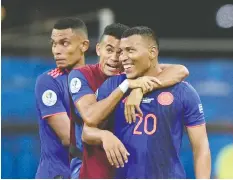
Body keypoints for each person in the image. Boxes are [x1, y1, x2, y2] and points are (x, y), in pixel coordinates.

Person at [68, 23, 189, 178]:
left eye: (121, 52)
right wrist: (126, 87)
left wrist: (140, 88)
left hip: (127, 165)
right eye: (109, 50)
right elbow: (90, 118)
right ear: (98, 49)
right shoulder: (82, 76)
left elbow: (180, 70)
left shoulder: (132, 73)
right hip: (91, 161)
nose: (115, 58)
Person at [94, 26, 211, 178]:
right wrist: (104, 135)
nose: (122, 57)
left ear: (152, 52)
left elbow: (201, 147)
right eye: (122, 51)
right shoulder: (113, 86)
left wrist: (140, 89)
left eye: (130, 50)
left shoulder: (183, 92)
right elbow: (87, 130)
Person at [35, 17, 89, 179]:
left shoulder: (96, 79)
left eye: (64, 43)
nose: (57, 50)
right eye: (53, 43)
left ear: (84, 45)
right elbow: (68, 137)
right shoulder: (48, 82)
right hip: (57, 174)